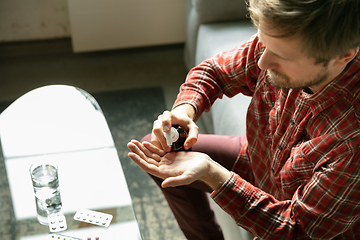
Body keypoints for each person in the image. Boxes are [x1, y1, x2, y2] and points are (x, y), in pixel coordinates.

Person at [127, 0, 360, 239]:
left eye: (281, 56)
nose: (262, 62)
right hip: (260, 161)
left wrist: (213, 174)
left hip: (305, 220)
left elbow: (296, 229)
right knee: (159, 152)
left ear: (342, 56)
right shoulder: (282, 42)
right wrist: (185, 110)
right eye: (264, 42)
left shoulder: (351, 142)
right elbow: (214, 72)